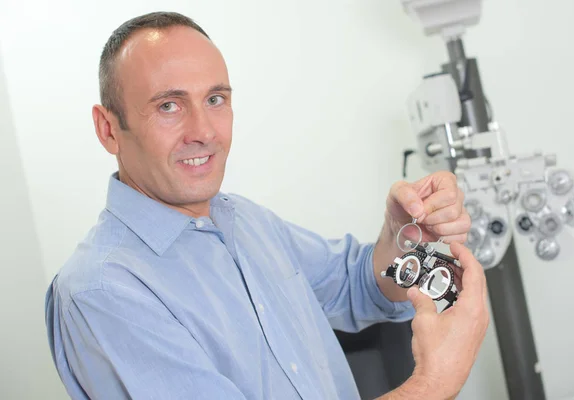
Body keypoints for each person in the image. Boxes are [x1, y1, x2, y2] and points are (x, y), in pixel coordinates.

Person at [44, 11, 489, 400]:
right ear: (108, 129)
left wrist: (398, 239)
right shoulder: (101, 292)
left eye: (215, 99)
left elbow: (357, 286)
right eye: (168, 106)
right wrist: (433, 384)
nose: (204, 131)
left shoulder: (241, 220)